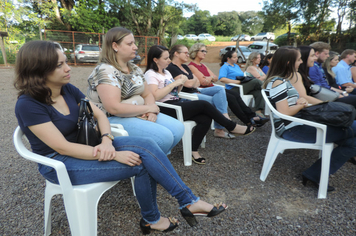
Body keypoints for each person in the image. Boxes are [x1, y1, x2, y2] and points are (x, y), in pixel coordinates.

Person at [14, 40, 228, 234]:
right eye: (59, 65)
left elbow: (98, 114)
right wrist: (114, 154)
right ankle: (153, 218)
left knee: (147, 145)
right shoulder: (28, 105)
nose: (68, 68)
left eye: (65, 62)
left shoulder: (67, 88)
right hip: (59, 162)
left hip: (91, 144)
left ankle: (187, 201)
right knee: (141, 163)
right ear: (38, 69)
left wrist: (107, 139)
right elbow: (62, 148)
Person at [262, 46, 356, 192]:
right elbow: (284, 111)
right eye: (298, 59)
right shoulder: (278, 82)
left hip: (296, 125)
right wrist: (301, 104)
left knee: (353, 139)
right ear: (288, 62)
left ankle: (314, 174)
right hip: (293, 129)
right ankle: (315, 174)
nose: (301, 62)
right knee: (353, 129)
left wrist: (300, 103)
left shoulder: (278, 80)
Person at [144, 45, 256, 164]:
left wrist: (180, 84)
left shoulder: (166, 72)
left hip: (176, 102)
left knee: (205, 118)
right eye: (166, 58)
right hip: (165, 108)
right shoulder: (151, 74)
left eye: (168, 58)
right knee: (203, 104)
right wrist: (174, 83)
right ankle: (231, 126)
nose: (169, 61)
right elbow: (155, 96)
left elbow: (175, 92)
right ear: (155, 60)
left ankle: (193, 150)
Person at [87, 27, 184, 155]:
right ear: (115, 46)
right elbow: (113, 108)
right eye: (130, 44)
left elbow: (148, 93)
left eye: (134, 43)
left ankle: (152, 159)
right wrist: (148, 109)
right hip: (111, 119)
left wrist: (151, 112)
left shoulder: (134, 68)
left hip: (138, 112)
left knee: (178, 128)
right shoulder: (105, 71)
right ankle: (149, 163)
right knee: (164, 137)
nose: (135, 47)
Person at [188, 43, 268, 127]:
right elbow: (203, 82)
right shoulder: (191, 66)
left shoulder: (203, 65)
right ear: (195, 52)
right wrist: (210, 78)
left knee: (236, 95)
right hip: (205, 91)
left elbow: (215, 78)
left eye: (205, 51)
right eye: (203, 51)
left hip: (213, 88)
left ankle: (252, 116)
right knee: (232, 98)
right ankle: (248, 121)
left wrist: (209, 78)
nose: (205, 53)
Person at [166, 44, 236, 138]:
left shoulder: (185, 67)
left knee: (220, 89)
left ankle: (224, 116)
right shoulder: (171, 68)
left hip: (197, 90)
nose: (188, 55)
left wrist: (191, 80)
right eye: (185, 53)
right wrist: (193, 81)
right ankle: (221, 127)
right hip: (187, 94)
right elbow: (189, 84)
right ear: (176, 54)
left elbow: (198, 82)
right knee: (216, 101)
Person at [218, 51, 266, 117]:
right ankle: (268, 90)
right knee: (256, 81)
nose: (236, 58)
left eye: (236, 56)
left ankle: (258, 111)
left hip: (241, 85)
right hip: (233, 89)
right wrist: (238, 82)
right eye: (234, 57)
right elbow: (222, 79)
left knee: (258, 91)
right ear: (228, 58)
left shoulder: (236, 66)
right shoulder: (225, 67)